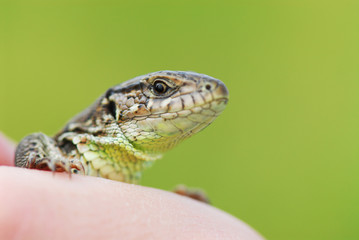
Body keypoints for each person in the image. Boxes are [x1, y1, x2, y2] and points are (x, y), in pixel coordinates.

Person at [0, 133, 264, 240]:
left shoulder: (118, 174)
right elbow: (32, 141)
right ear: (115, 108)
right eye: (159, 89)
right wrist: (37, 164)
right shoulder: (65, 151)